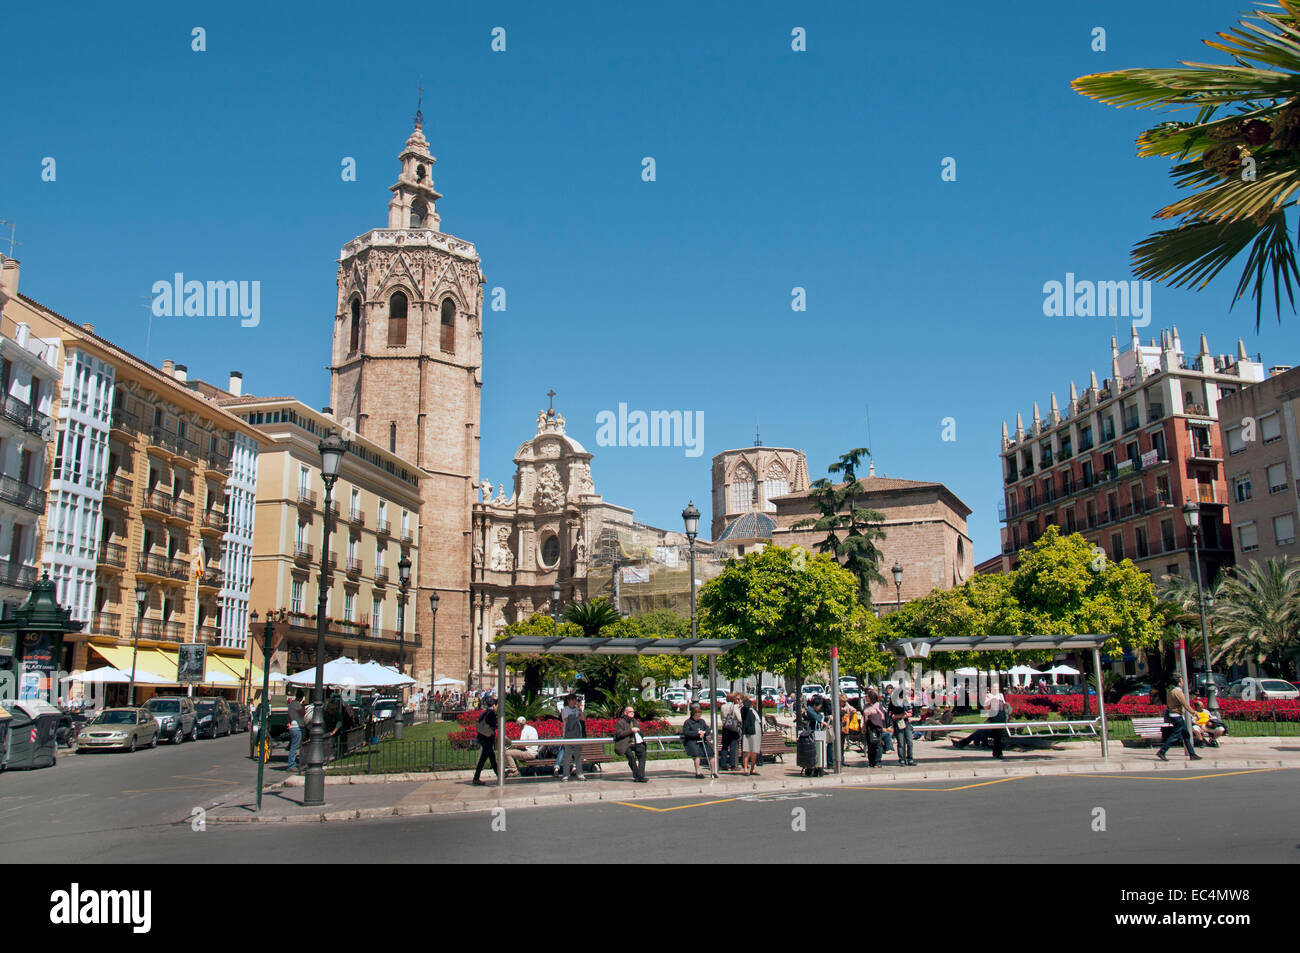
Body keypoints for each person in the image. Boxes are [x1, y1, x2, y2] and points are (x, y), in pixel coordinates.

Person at [1157, 679, 1202, 762]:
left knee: (1186, 735)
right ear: (1179, 683)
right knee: (1175, 735)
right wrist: (1194, 713)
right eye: (1182, 681)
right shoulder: (1178, 692)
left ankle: (1192, 754)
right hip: (1177, 716)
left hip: (1174, 715)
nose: (1183, 683)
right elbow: (1185, 704)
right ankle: (1162, 751)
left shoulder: (1170, 691)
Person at [472, 697, 506, 785]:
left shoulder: (484, 712)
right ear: (494, 705)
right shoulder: (491, 713)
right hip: (487, 738)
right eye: (497, 705)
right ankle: (476, 777)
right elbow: (493, 726)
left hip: (482, 737)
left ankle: (499, 774)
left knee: (492, 757)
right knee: (484, 758)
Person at [613, 705, 649, 783]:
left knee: (642, 753)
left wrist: (639, 731)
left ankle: (641, 775)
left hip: (636, 742)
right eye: (630, 712)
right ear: (626, 713)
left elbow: (641, 733)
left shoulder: (635, 721)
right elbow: (619, 734)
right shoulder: (621, 722)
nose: (632, 713)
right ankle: (637, 776)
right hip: (625, 744)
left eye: (633, 712)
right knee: (631, 757)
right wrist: (631, 730)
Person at [558, 693, 587, 781]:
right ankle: (565, 775)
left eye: (575, 700)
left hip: (578, 735)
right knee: (567, 756)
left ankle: (580, 774)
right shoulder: (565, 710)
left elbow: (583, 719)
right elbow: (567, 720)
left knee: (578, 755)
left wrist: (580, 710)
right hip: (568, 735)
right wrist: (576, 717)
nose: (574, 702)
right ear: (568, 701)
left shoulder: (577, 709)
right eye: (572, 700)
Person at [682, 704, 714, 778]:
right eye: (697, 716)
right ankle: (698, 772)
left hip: (702, 740)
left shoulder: (702, 721)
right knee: (696, 755)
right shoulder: (688, 722)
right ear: (693, 715)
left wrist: (704, 732)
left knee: (711, 754)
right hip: (692, 741)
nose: (698, 718)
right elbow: (686, 733)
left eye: (699, 716)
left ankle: (713, 772)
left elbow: (707, 729)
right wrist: (697, 733)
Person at [888, 687, 915, 766]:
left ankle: (910, 759)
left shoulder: (906, 701)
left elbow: (910, 712)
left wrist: (906, 715)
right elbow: (890, 714)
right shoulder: (893, 703)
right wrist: (898, 716)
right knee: (901, 742)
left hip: (906, 722)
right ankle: (901, 759)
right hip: (898, 722)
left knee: (909, 741)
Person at [862, 689, 886, 767]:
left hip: (876, 726)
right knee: (870, 744)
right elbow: (864, 717)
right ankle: (871, 761)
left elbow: (882, 716)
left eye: (867, 697)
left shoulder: (878, 705)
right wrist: (864, 726)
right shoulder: (865, 706)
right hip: (868, 726)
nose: (866, 698)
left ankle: (877, 761)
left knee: (877, 744)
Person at [719, 693, 742, 771]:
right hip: (733, 729)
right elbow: (739, 718)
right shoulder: (734, 706)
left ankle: (723, 764)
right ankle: (733, 765)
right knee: (733, 746)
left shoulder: (723, 706)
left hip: (725, 727)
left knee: (724, 746)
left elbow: (721, 717)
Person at [740, 694, 761, 775]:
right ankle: (745, 768)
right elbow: (746, 706)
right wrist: (748, 701)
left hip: (756, 731)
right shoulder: (744, 709)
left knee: (755, 751)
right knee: (747, 750)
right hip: (749, 732)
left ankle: (752, 768)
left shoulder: (754, 709)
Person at [286, 690, 306, 771]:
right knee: (295, 746)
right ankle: (291, 765)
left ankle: (294, 763)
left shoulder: (290, 705)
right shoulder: (297, 704)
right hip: (297, 726)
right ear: (301, 697)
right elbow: (302, 713)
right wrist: (303, 707)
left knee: (294, 745)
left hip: (293, 726)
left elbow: (288, 716)